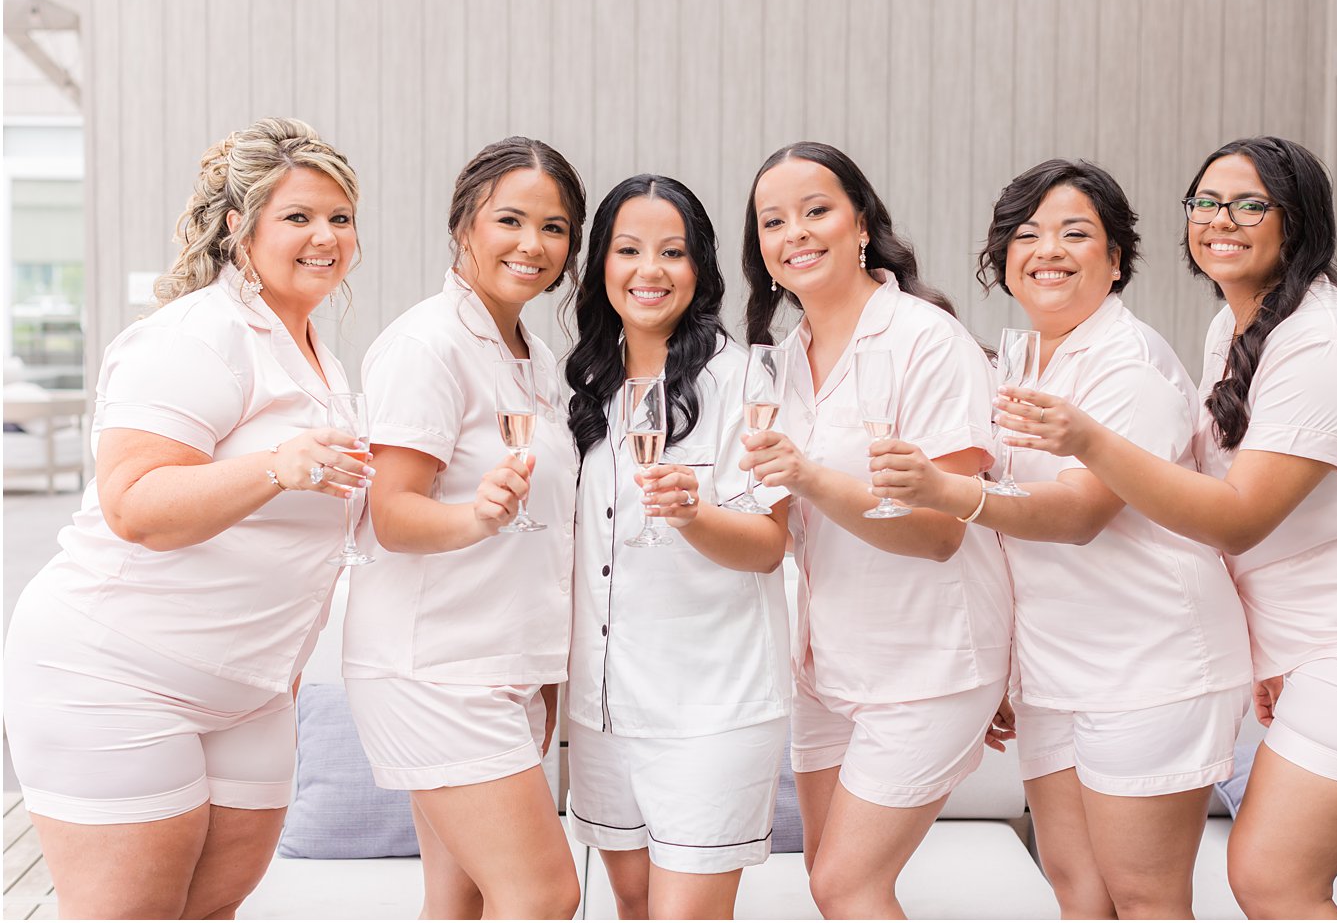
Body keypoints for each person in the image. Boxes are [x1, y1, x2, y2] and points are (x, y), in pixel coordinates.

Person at [1006, 136, 1337, 919]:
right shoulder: (1235, 327)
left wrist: (1089, 440)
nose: (1219, 220)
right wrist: (1272, 647)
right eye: (1204, 202)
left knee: (1270, 877)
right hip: (1335, 632)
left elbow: (1239, 518)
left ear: (1296, 220)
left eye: (1248, 203)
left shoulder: (1322, 342)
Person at [865, 158, 1252, 918]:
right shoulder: (1017, 357)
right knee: (1078, 889)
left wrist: (945, 491)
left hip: (1151, 664)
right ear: (1003, 256)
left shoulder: (1129, 364)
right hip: (1057, 669)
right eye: (1028, 233)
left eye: (1077, 233)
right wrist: (1013, 664)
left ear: (1115, 260)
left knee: (1144, 896)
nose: (1049, 249)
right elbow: (1017, 531)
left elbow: (1077, 514)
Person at [3, 118, 369, 919]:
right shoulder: (197, 335)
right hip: (114, 674)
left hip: (250, 690)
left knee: (211, 909)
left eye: (339, 217)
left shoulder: (316, 355)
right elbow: (133, 504)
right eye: (297, 216)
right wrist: (276, 468)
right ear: (239, 226)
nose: (324, 236)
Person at [737, 142, 1014, 919]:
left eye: (817, 210)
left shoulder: (928, 340)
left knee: (846, 884)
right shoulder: (781, 363)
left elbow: (938, 531)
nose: (796, 232)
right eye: (774, 220)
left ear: (861, 222)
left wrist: (809, 477)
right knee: (831, 880)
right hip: (827, 664)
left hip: (930, 663)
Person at [343, 136, 585, 919]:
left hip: (499, 661)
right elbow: (392, 513)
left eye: (554, 228)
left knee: (459, 899)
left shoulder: (536, 356)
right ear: (462, 226)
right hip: (437, 668)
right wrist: (475, 515)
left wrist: (544, 671)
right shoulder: (428, 345)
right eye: (509, 220)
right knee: (544, 895)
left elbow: (545, 534)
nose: (532, 244)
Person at [563, 174, 791, 920]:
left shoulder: (744, 377)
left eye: (672, 251)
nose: (649, 270)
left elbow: (766, 544)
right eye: (628, 249)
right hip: (604, 704)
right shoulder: (583, 382)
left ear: (701, 268)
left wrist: (693, 514)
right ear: (601, 265)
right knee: (631, 901)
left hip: (710, 705)